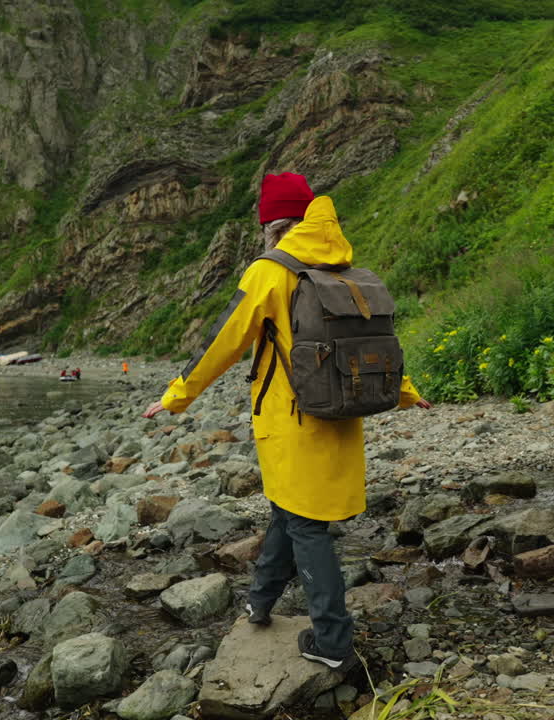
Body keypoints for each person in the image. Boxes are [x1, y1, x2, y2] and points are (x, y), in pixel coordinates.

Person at [142, 171, 431, 672]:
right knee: (288, 507)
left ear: (272, 225)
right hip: (340, 413)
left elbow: (224, 340)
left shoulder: (270, 271)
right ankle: (260, 601)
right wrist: (405, 392)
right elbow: (370, 342)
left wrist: (176, 395)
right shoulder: (341, 265)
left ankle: (333, 641)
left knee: (306, 525)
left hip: (293, 420)